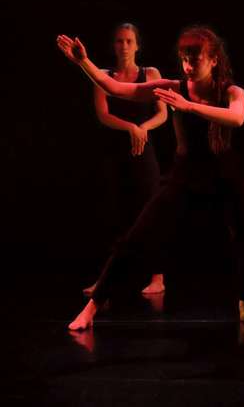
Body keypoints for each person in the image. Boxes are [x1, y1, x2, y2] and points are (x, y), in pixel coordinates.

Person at [57, 26, 244, 329]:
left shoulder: (232, 92)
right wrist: (83, 62)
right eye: (184, 59)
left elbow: (237, 117)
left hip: (226, 172)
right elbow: (115, 88)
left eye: (195, 59)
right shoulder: (173, 88)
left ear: (214, 60)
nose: (188, 66)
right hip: (185, 172)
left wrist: (189, 106)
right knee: (135, 239)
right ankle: (91, 308)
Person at [83, 23, 168, 297]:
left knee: (150, 212)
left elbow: (163, 113)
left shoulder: (150, 74)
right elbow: (103, 114)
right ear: (114, 45)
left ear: (137, 45)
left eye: (129, 41)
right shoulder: (104, 75)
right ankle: (107, 281)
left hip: (143, 152)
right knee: (114, 215)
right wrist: (130, 127)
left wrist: (142, 128)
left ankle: (158, 277)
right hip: (115, 153)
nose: (124, 46)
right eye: (120, 41)